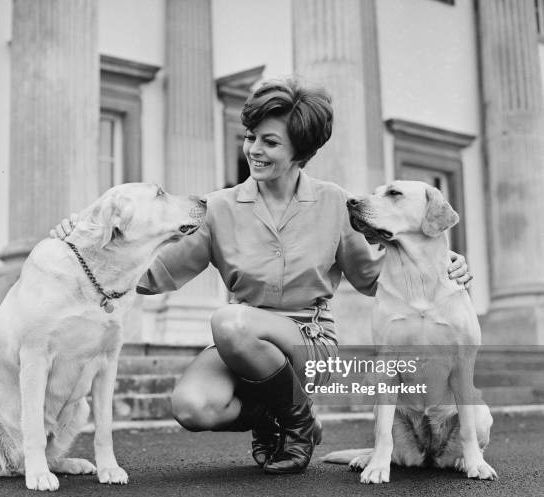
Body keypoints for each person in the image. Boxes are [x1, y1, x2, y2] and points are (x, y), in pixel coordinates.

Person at [51, 77, 472, 475]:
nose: (254, 149)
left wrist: (443, 264)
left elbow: (372, 278)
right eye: (251, 137)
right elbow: (154, 274)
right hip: (243, 345)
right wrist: (84, 249)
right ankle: (292, 418)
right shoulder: (218, 208)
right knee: (193, 406)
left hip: (309, 344)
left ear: (300, 153)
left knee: (229, 321)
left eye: (270, 142)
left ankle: (295, 422)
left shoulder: (335, 203)